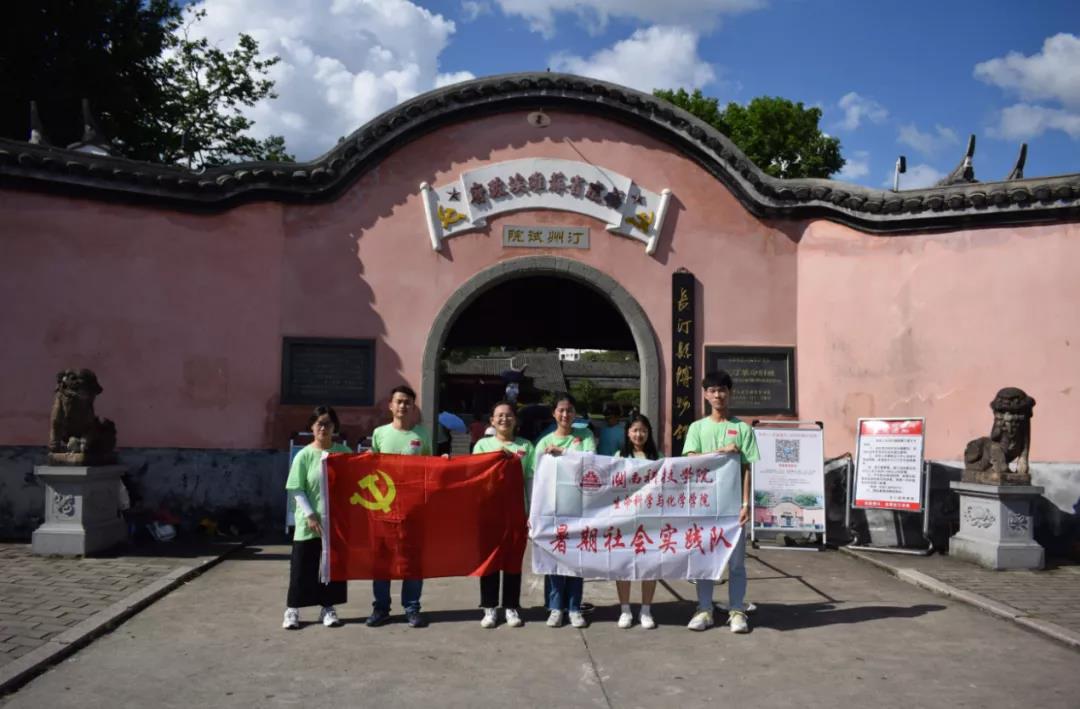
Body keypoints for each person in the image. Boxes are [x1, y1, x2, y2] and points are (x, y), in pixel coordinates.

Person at [682, 370, 759, 634]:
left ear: (730, 392)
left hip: (733, 507)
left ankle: (736, 610)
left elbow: (747, 469)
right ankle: (704, 609)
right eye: (713, 390)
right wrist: (720, 451)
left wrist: (746, 504)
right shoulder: (697, 428)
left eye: (722, 390)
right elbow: (690, 460)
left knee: (736, 563)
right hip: (704, 506)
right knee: (705, 560)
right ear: (705, 395)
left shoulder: (743, 429)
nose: (718, 395)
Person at [367, 385, 432, 629]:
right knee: (382, 560)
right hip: (383, 508)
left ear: (413, 407)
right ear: (391, 405)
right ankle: (381, 608)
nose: (403, 405)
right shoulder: (379, 433)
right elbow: (370, 469)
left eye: (407, 402)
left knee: (412, 559)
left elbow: (430, 468)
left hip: (413, 508)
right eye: (399, 401)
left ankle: (412, 608)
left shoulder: (422, 435)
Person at [530, 393, 596, 628]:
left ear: (575, 413)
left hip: (579, 508)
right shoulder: (543, 442)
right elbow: (537, 480)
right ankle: (555, 607)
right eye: (561, 410)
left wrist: (565, 453)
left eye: (569, 410)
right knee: (554, 558)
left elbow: (591, 460)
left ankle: (574, 607)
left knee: (576, 559)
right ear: (554, 413)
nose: (565, 414)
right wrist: (534, 513)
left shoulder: (585, 436)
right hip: (552, 509)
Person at [282, 405, 351, 630]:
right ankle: (292, 609)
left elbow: (356, 479)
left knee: (331, 569)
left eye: (328, 424)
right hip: (309, 524)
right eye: (319, 423)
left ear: (335, 427)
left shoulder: (343, 452)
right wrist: (310, 515)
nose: (323, 428)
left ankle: (328, 608)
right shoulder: (303, 455)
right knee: (302, 567)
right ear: (312, 426)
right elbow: (296, 488)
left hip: (336, 523)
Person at [471, 401, 534, 628]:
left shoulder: (526, 446)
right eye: (499, 415)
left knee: (513, 560)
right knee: (489, 560)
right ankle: (489, 607)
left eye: (508, 415)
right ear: (492, 421)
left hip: (516, 513)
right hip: (488, 512)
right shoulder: (482, 445)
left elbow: (530, 480)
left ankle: (511, 607)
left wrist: (531, 512)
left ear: (515, 420)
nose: (504, 419)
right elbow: (474, 476)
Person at [613, 414, 661, 629]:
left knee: (649, 565)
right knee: (623, 564)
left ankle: (646, 610)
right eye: (634, 430)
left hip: (650, 519)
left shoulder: (658, 457)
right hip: (625, 519)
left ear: (649, 433)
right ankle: (625, 609)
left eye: (643, 430)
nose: (638, 434)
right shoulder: (619, 456)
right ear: (627, 433)